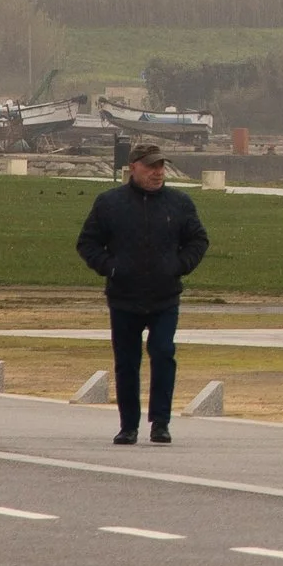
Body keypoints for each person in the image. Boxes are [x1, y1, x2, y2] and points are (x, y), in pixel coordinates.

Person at [75, 139, 209, 445]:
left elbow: (198, 240)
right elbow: (88, 244)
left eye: (161, 166)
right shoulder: (110, 203)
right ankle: (128, 426)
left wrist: (180, 265)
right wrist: (111, 268)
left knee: (163, 353)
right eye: (150, 166)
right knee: (127, 362)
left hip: (164, 296)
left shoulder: (179, 203)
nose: (157, 172)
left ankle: (160, 422)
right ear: (133, 167)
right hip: (124, 297)